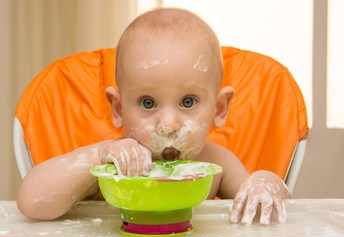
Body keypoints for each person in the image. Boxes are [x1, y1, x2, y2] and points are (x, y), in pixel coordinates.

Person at [17, 7, 290, 225]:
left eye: (187, 101)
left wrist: (264, 181)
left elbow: (253, 201)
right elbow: (32, 203)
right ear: (118, 109)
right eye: (148, 102)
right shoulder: (112, 168)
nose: (168, 125)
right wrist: (98, 156)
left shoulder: (217, 164)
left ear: (219, 109)